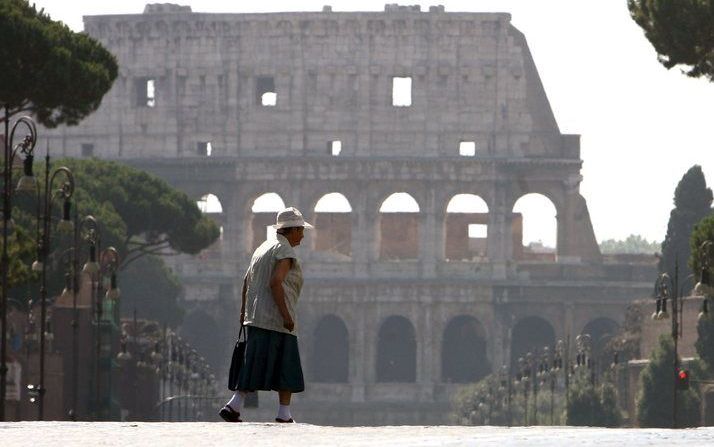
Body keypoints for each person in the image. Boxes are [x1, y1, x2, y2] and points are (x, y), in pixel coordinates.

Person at [220, 206, 312, 423]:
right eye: (301, 230)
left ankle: (235, 405)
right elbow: (275, 283)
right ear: (292, 230)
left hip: (255, 317)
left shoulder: (262, 248)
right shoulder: (285, 251)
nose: (303, 235)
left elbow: (246, 281)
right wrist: (286, 316)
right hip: (277, 319)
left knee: (253, 363)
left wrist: (244, 312)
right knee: (286, 366)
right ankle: (283, 413)